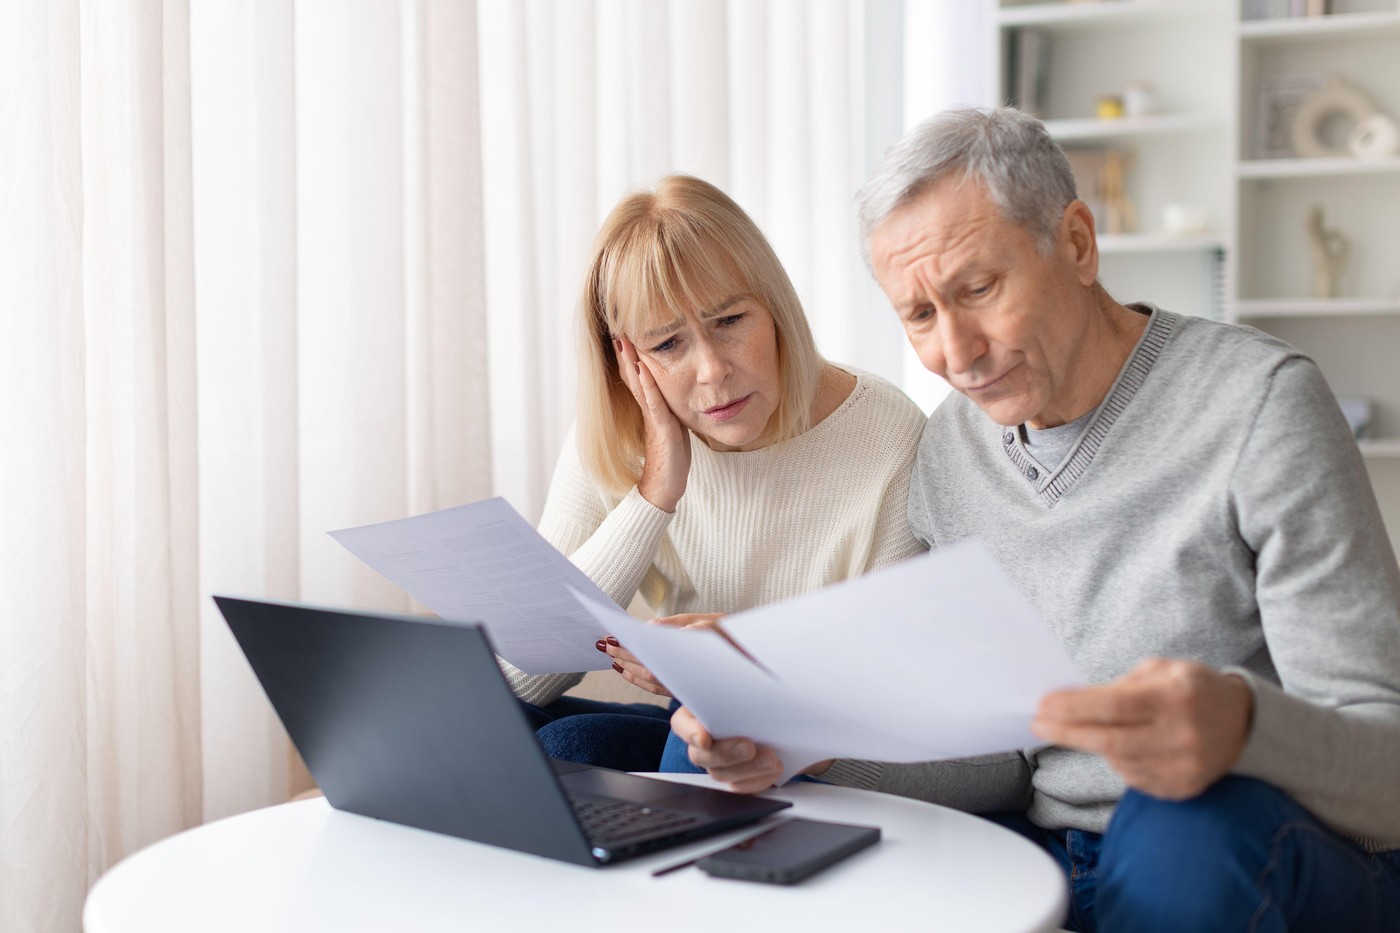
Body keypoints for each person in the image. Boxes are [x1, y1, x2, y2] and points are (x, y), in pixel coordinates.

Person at [670, 108, 1400, 931]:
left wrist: (1242, 728)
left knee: (1180, 823)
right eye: (920, 315)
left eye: (979, 289)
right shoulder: (953, 448)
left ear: (1078, 243)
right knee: (708, 761)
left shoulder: (1260, 405)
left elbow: (1388, 781)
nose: (957, 354)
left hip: (1260, 848)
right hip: (1054, 848)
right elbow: (1002, 763)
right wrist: (810, 746)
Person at [506, 174, 929, 772]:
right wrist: (655, 494)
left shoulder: (887, 436)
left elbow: (907, 705)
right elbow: (521, 677)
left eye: (729, 321)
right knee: (518, 729)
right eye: (667, 345)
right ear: (626, 358)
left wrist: (749, 663)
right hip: (701, 728)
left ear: (775, 309)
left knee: (700, 725)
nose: (711, 371)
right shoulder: (620, 436)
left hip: (824, 750)